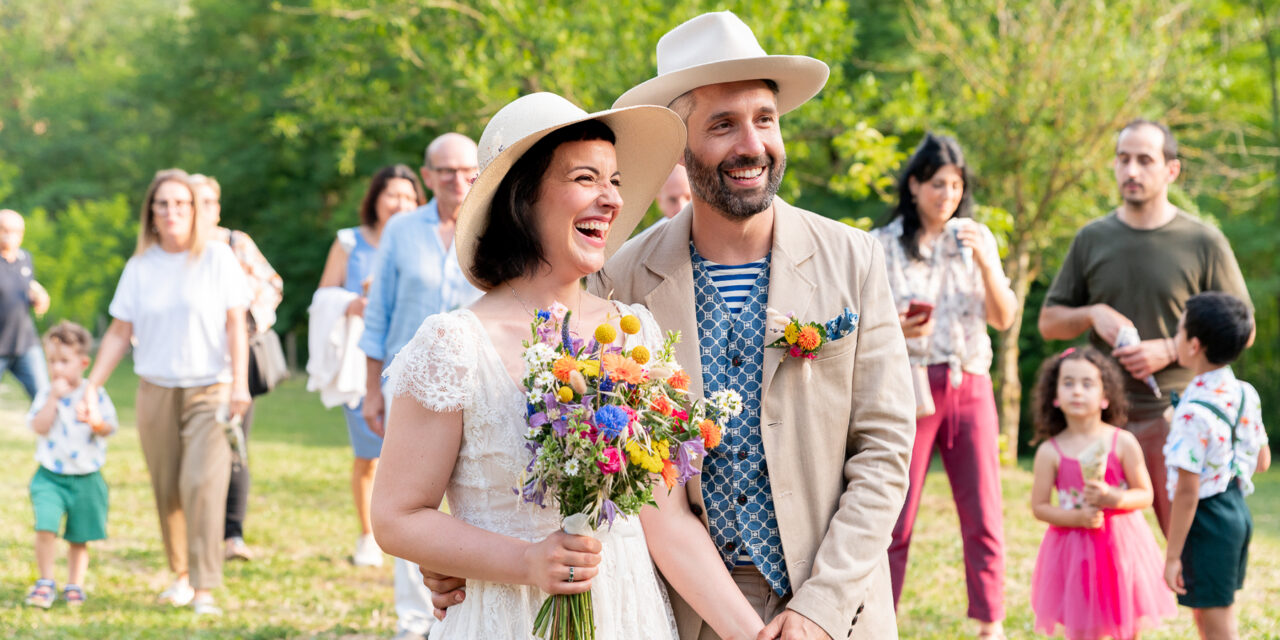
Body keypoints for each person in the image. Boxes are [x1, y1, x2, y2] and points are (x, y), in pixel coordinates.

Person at [372, 91, 764, 640]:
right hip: (507, 619)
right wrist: (526, 561)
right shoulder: (453, 343)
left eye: (617, 182)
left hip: (628, 616)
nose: (611, 200)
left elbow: (667, 523)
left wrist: (754, 635)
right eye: (586, 179)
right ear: (522, 198)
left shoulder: (636, 334)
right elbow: (397, 517)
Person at [592, 12, 914, 640]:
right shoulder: (622, 281)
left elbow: (884, 450)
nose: (752, 144)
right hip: (687, 611)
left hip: (838, 606)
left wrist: (820, 606)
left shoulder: (853, 258)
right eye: (722, 125)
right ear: (678, 151)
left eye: (765, 119)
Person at [1038, 119, 1253, 535]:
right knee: (1103, 547)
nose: (1131, 171)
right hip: (1099, 425)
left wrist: (1171, 349)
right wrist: (1090, 313)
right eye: (1123, 159)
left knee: (1188, 548)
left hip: (1176, 417)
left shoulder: (1203, 241)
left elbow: (1244, 328)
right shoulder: (1092, 238)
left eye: (1144, 160)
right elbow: (1049, 323)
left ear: (1171, 170)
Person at [77, 168, 251, 616]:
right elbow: (119, 331)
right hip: (154, 390)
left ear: (195, 212)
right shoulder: (140, 267)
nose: (172, 211)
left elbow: (236, 324)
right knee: (167, 487)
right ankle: (180, 578)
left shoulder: (217, 259)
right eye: (163, 204)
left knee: (201, 483)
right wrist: (91, 386)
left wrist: (240, 384)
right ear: (151, 214)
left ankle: (205, 585)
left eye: (181, 204)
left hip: (210, 388)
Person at [870, 133, 1016, 638]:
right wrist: (898, 326)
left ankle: (990, 622)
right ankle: (879, 619)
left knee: (983, 511)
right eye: (937, 184)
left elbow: (1003, 316)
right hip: (908, 386)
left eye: (956, 185)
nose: (947, 195)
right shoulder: (881, 244)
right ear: (914, 185)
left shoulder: (977, 237)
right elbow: (865, 324)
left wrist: (986, 263)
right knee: (896, 515)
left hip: (970, 382)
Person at [358, 134, 481, 639]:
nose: (457, 180)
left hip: (477, 384)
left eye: (467, 170)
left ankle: (468, 607)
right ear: (427, 176)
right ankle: (414, 617)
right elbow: (378, 313)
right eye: (446, 171)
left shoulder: (491, 224)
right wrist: (370, 389)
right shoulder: (402, 231)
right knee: (409, 503)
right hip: (408, 389)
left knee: (473, 497)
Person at [315, 164, 424, 569]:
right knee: (370, 453)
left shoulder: (427, 242)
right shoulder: (351, 243)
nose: (401, 204)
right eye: (392, 195)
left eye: (409, 197)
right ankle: (367, 534)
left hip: (414, 359)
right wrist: (355, 302)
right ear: (375, 199)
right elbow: (325, 293)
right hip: (362, 359)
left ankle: (412, 537)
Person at [1028, 346, 1176, 639]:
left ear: (1105, 396)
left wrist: (1113, 497)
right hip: (1073, 553)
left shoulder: (1123, 442)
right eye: (1068, 383)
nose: (1077, 391)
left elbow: (1145, 495)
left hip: (1121, 547)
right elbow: (1040, 507)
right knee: (1082, 627)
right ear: (1055, 396)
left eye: (1087, 383)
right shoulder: (1050, 451)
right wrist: (1077, 518)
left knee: (1125, 624)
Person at [1163, 292, 1270, 639]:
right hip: (1236, 512)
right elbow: (1263, 461)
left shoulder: (1192, 412)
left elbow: (1187, 493)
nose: (1175, 338)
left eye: (1179, 331)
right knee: (1210, 617)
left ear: (1194, 345)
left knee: (1219, 625)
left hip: (1207, 522)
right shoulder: (1244, 393)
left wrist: (1171, 557)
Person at [190, 173, 285, 563]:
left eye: (210, 202)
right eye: (196, 202)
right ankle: (198, 535)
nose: (203, 210)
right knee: (194, 454)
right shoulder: (177, 248)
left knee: (235, 446)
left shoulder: (235, 243)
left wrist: (245, 323)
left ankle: (232, 535)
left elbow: (272, 285)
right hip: (193, 363)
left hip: (236, 360)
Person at [23, 321, 118, 609]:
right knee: (45, 527)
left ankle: (74, 583)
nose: (57, 368)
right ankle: (46, 581)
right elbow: (38, 426)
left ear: (83, 362)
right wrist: (53, 398)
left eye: (64, 361)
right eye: (52, 361)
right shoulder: (46, 393)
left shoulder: (94, 393)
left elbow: (109, 427)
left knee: (80, 536)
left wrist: (95, 421)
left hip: (87, 477)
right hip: (50, 476)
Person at [1, 208, 51, 400]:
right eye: (4, 229)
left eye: (15, 231)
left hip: (25, 344)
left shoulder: (25, 259)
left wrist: (37, 298)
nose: (9, 235)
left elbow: (26, 290)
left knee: (44, 398)